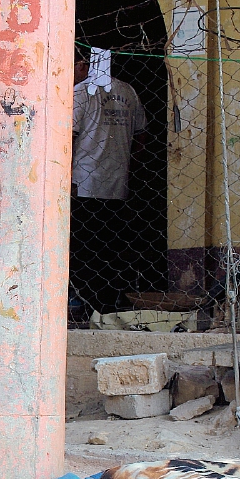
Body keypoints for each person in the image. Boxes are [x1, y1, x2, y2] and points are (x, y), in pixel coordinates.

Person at [69, 46, 148, 311]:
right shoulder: (128, 91)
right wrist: (128, 167)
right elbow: (141, 135)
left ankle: (86, 301)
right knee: (112, 247)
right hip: (117, 183)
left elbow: (69, 135)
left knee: (83, 247)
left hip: (83, 183)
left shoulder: (82, 92)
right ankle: (108, 301)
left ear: (84, 64)